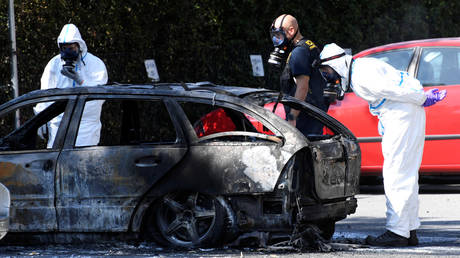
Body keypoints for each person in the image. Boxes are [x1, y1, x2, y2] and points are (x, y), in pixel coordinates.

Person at [317, 43, 447, 247]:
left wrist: (422, 97)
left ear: (336, 64)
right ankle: (408, 229)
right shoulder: (361, 68)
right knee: (407, 173)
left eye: (326, 71)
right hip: (404, 115)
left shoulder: (361, 75)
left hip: (402, 115)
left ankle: (397, 232)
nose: (327, 76)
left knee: (396, 174)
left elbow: (392, 89)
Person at [34, 24, 108, 148]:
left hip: (86, 127)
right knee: (57, 164)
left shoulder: (95, 64)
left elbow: (100, 95)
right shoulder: (54, 64)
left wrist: (80, 80)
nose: (68, 51)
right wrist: (40, 119)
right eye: (64, 47)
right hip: (58, 126)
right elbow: (45, 95)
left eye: (71, 47)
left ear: (79, 45)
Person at [269, 14, 328, 135]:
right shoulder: (308, 45)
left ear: (291, 30)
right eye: (274, 35)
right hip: (314, 113)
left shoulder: (298, 53)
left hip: (304, 117)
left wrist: (292, 117)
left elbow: (302, 87)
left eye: (279, 34)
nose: (276, 39)